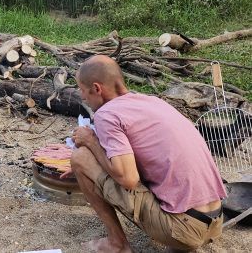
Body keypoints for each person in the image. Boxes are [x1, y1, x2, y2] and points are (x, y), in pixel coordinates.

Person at [64, 55, 226, 253]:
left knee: (80, 157)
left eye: (82, 90)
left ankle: (117, 244)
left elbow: (129, 179)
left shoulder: (108, 114)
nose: (82, 97)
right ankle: (180, 242)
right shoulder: (151, 102)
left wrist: (90, 142)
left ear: (97, 88)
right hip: (215, 220)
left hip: (184, 228)